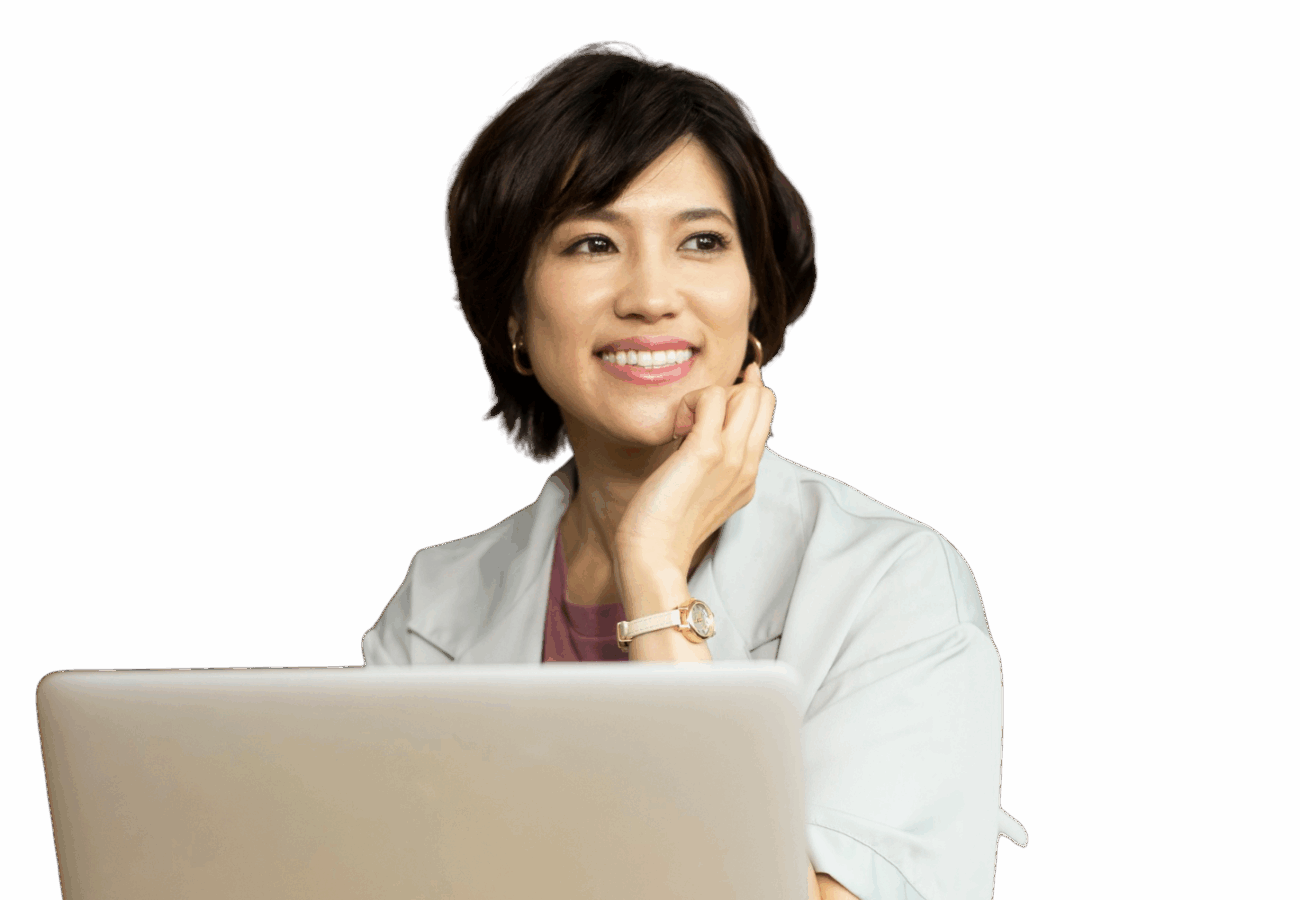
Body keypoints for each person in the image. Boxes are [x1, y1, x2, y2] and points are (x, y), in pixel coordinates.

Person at [362, 41, 1026, 900]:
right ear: (514, 318)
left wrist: (654, 576)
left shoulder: (892, 585)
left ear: (756, 302)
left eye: (702, 242)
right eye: (593, 242)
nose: (650, 295)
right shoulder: (435, 607)